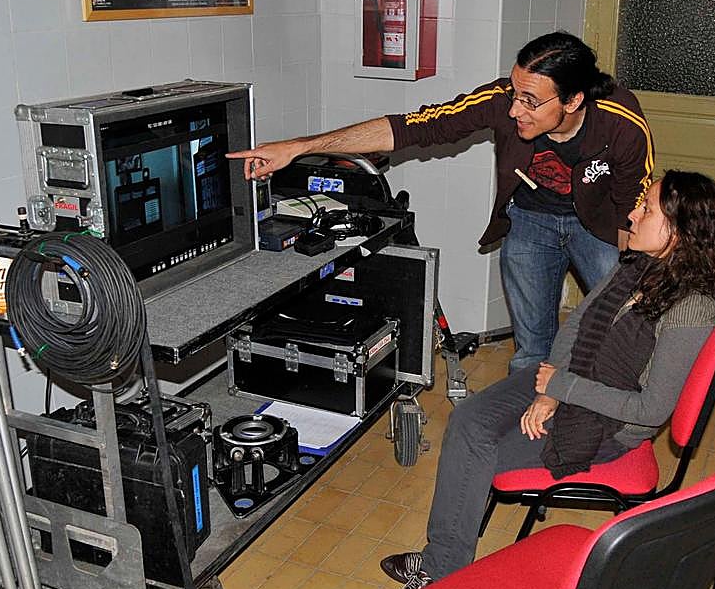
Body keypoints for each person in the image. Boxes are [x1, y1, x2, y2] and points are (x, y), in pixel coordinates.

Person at [361, 171, 715, 589]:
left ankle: (440, 571)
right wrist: (550, 392)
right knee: (468, 419)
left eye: (646, 209)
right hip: (565, 382)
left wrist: (561, 390)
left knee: (478, 450)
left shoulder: (693, 306)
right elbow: (575, 327)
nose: (631, 213)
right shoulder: (639, 265)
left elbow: (651, 411)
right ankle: (444, 557)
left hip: (607, 422)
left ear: (678, 231)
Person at [228, 32, 654, 373]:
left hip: (598, 226)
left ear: (573, 100)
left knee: (612, 330)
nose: (514, 110)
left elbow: (631, 214)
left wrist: (628, 279)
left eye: (530, 101)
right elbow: (415, 127)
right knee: (531, 352)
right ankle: (525, 432)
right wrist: (301, 146)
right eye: (515, 93)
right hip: (530, 222)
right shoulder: (502, 99)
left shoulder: (622, 126)